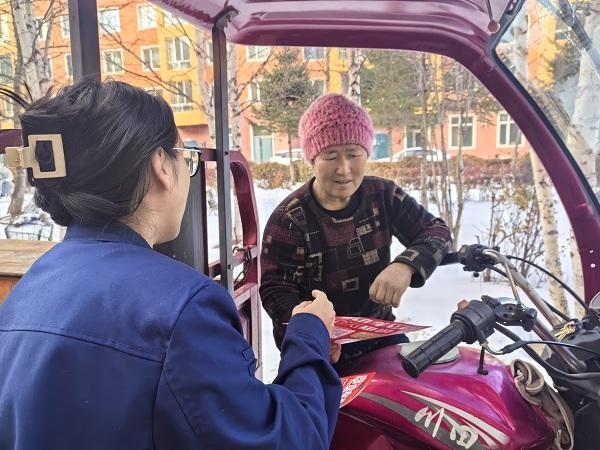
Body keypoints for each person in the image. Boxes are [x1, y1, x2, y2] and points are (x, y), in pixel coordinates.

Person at [0, 79, 341, 450]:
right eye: (185, 158)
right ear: (161, 165)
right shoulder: (183, 309)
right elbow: (290, 441)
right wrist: (310, 335)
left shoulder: (29, 289)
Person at [260, 94, 452, 366]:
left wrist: (406, 265)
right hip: (317, 348)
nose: (344, 169)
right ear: (312, 159)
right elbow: (275, 291)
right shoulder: (290, 219)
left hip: (379, 335)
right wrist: (310, 331)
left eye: (353, 154)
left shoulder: (383, 195)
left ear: (367, 154)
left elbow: (437, 231)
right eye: (330, 156)